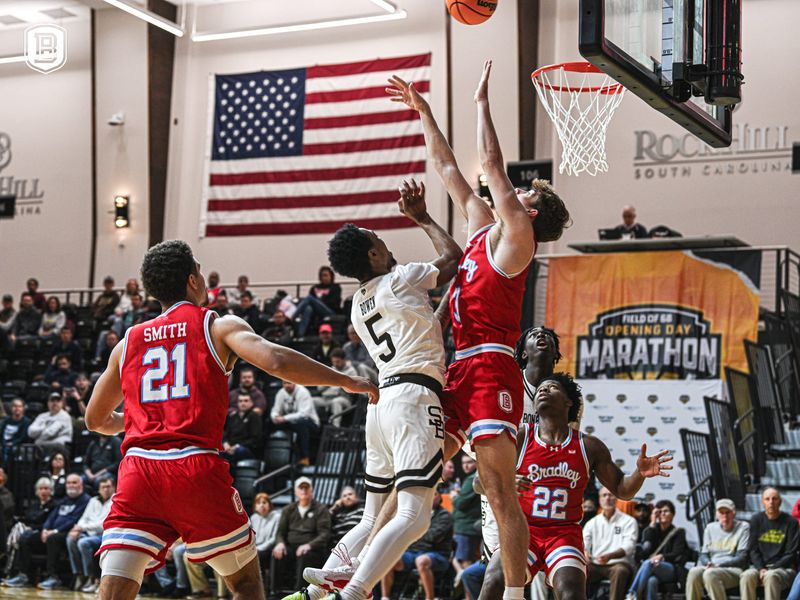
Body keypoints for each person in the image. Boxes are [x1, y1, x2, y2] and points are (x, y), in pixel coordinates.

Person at [84, 239, 376, 600]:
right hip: (193, 468)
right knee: (246, 585)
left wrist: (145, 422)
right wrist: (347, 380)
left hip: (138, 473)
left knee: (113, 592)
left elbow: (95, 419)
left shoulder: (127, 342)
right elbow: (277, 361)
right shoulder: (216, 326)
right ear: (193, 280)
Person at [387, 61, 571, 600]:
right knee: (414, 477)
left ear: (530, 214)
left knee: (496, 490)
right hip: (457, 367)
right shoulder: (481, 229)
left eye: (523, 198)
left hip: (491, 366)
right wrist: (423, 112)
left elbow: (490, 162)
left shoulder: (518, 238)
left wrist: (481, 102)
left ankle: (515, 594)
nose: (510, 198)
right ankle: (350, 567)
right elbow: (447, 169)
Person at [286, 179, 461, 600]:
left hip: (381, 405)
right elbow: (454, 256)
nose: (387, 244)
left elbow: (419, 322)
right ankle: (355, 591)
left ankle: (326, 577)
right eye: (381, 240)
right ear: (374, 253)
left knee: (371, 516)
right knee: (415, 516)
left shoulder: (359, 301)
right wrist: (422, 218)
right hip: (413, 400)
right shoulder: (401, 277)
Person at [478, 375, 669, 600]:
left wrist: (639, 473)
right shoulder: (521, 436)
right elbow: (478, 482)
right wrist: (506, 482)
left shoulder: (589, 446)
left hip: (563, 534)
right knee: (493, 580)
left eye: (552, 387)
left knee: (571, 590)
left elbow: (622, 489)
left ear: (569, 402)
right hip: (522, 530)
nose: (543, 391)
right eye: (540, 388)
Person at [6, 474, 91, 589]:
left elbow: (74, 520)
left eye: (74, 482)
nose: (71, 485)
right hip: (52, 532)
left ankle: (53, 577)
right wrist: (45, 529)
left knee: (53, 539)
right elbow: (52, 517)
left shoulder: (85, 500)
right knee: (26, 537)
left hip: (68, 533)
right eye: (68, 483)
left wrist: (55, 531)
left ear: (81, 484)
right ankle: (23, 575)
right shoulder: (64, 500)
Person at [380, 488, 453, 600]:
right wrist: (415, 535)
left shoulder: (445, 515)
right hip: (412, 553)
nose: (432, 496)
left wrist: (414, 535)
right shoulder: (416, 514)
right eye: (429, 494)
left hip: (437, 554)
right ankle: (385, 597)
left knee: (421, 561)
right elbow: (404, 534)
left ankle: (430, 598)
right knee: (388, 557)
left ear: (440, 497)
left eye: (435, 494)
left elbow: (433, 537)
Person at [272, 478, 332, 591]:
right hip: (291, 546)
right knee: (276, 553)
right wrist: (280, 543)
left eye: (306, 487)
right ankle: (274, 591)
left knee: (304, 556)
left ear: (311, 490)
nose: (304, 490)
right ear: (296, 491)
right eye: (301, 488)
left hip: (313, 549)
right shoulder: (288, 509)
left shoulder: (321, 509)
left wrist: (309, 545)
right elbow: (280, 532)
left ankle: (300, 592)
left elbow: (325, 534)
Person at [740, 487, 799, 600]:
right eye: (767, 499)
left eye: (774, 499)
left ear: (780, 502)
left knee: (771, 576)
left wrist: (771, 569)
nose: (771, 502)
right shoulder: (756, 520)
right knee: (746, 576)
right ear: (762, 502)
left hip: (784, 569)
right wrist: (761, 568)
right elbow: (753, 549)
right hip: (760, 567)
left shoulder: (791, 522)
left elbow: (791, 553)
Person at [685, 498, 750, 600]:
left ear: (734, 513)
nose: (724, 516)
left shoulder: (743, 527)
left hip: (733, 569)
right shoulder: (710, 528)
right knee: (693, 572)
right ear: (717, 514)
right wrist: (708, 563)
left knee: (710, 574)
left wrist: (719, 565)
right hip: (712, 566)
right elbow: (704, 554)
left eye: (727, 512)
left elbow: (741, 557)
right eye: (721, 512)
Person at [626, 500, 688, 600]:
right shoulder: (653, 530)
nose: (662, 513)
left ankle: (632, 594)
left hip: (671, 568)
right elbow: (646, 548)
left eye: (666, 511)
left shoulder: (679, 532)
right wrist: (652, 523)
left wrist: (662, 557)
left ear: (672, 515)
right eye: (660, 511)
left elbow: (677, 553)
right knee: (651, 581)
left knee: (648, 563)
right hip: (653, 567)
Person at [2, 477, 56, 581]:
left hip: (42, 534)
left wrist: (31, 527)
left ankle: (22, 573)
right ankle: (12, 572)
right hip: (28, 531)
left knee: (22, 537)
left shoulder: (53, 505)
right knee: (18, 535)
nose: (43, 491)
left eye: (46, 488)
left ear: (51, 490)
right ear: (37, 491)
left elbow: (48, 524)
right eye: (41, 489)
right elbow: (27, 519)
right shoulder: (34, 505)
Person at [67, 476, 115, 593]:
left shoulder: (115, 501)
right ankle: (79, 573)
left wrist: (81, 527)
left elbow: (104, 523)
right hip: (89, 533)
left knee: (83, 543)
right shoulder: (93, 500)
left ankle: (90, 577)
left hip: (104, 536)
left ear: (113, 488)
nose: (106, 490)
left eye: (108, 487)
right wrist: (77, 528)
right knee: (70, 539)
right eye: (103, 487)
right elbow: (84, 518)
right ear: (99, 489)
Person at [271, 381, 321, 465]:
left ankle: (304, 457)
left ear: (294, 383)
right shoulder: (281, 392)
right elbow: (275, 410)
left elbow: (303, 414)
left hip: (311, 423)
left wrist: (284, 418)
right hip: (291, 421)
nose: (287, 386)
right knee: (270, 423)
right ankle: (272, 459)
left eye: (289, 383)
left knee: (301, 424)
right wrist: (275, 417)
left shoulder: (303, 392)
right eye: (284, 383)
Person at [313, 349, 358, 426]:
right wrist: (327, 382)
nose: (335, 364)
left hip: (344, 399)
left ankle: (335, 428)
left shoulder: (351, 371)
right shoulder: (331, 369)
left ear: (344, 360)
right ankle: (315, 424)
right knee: (312, 401)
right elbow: (319, 388)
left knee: (336, 402)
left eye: (337, 361)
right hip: (327, 398)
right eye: (333, 362)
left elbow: (353, 390)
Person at [295, 267, 342, 338]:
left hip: (329, 311)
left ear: (331, 276)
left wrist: (318, 303)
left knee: (309, 298)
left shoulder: (335, 287)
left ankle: (293, 316)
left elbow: (334, 303)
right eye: (322, 275)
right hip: (315, 311)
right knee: (308, 309)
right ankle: (300, 334)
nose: (324, 277)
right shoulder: (315, 288)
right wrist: (316, 304)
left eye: (326, 275)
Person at [452, 455, 481, 569]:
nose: (466, 465)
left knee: (464, 561)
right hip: (469, 526)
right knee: (460, 560)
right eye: (463, 463)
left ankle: (466, 584)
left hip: (467, 527)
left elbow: (460, 503)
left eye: (469, 462)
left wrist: (454, 497)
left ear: (476, 463)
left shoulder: (472, 479)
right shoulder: (473, 477)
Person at [28, 392, 73, 457]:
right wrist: (42, 429)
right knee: (26, 449)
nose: (55, 403)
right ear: (48, 403)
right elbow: (30, 431)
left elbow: (50, 433)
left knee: (37, 446)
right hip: (44, 444)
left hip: (61, 446)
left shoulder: (64, 416)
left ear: (62, 403)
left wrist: (38, 437)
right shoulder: (42, 416)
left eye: (57, 401)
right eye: (52, 401)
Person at [222, 392, 263, 462]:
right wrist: (225, 443)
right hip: (230, 447)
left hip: (247, 449)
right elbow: (225, 432)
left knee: (240, 451)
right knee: (217, 452)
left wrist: (237, 446)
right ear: (237, 403)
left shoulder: (254, 417)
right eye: (240, 401)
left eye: (246, 401)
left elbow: (255, 439)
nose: (243, 403)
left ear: (251, 403)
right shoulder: (233, 416)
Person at [252, 493, 282, 579]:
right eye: (258, 503)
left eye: (264, 502)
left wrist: (259, 548)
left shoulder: (276, 517)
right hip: (255, 548)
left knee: (258, 555)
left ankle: (262, 584)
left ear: (269, 505)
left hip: (269, 548)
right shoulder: (254, 517)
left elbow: (274, 538)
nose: (262, 505)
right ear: (255, 507)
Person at [0, 398, 30, 466]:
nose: (17, 408)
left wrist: (12, 443)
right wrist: (3, 443)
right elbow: (1, 434)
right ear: (11, 408)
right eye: (15, 406)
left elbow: (23, 437)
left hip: (16, 445)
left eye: (19, 406)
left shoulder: (26, 421)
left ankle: (5, 470)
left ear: (23, 408)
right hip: (4, 444)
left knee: (8, 449)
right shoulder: (6, 421)